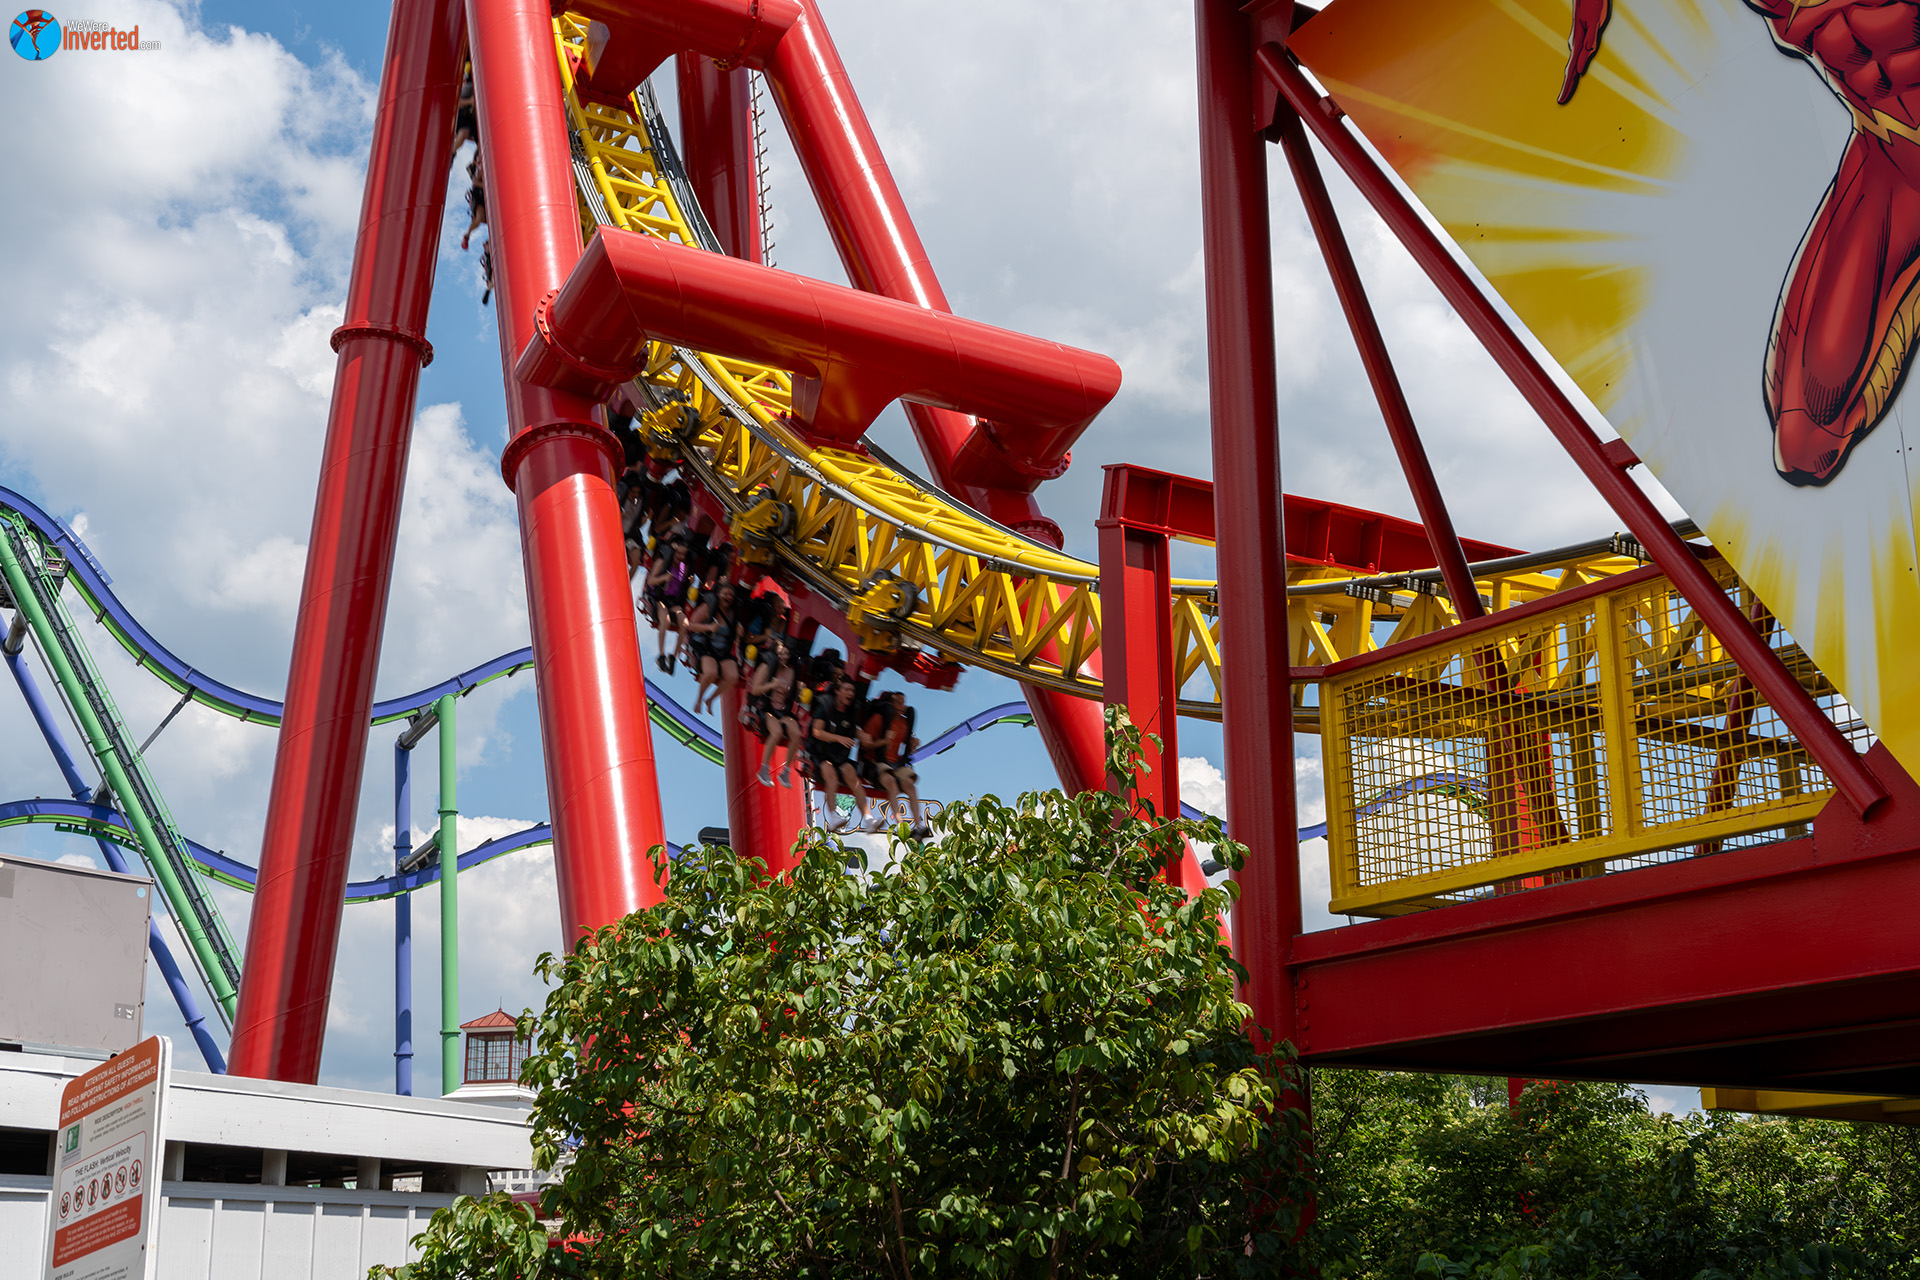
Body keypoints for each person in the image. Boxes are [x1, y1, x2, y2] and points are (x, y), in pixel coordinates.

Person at [810, 679, 869, 832]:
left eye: (852, 691)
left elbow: (855, 730)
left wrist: (864, 737)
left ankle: (868, 818)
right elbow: (817, 731)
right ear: (837, 691)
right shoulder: (826, 706)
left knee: (853, 777)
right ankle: (833, 816)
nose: (850, 693)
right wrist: (838, 738)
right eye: (846, 689)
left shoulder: (851, 713)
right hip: (821, 754)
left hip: (839, 757)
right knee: (832, 776)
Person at [749, 637, 802, 788]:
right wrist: (770, 685)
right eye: (780, 654)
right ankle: (764, 769)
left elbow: (793, 696)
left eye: (786, 654)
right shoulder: (766, 668)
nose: (783, 657)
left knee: (796, 734)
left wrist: (800, 690)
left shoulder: (791, 673)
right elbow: (755, 690)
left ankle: (786, 772)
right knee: (777, 731)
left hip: (782, 711)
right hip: (766, 708)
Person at [686, 580, 741, 715]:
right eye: (725, 594)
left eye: (731, 595)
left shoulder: (732, 614)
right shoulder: (708, 607)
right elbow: (692, 625)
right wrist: (709, 627)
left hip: (721, 649)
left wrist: (738, 634)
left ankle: (710, 700)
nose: (728, 597)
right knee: (711, 673)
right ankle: (699, 699)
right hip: (704, 645)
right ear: (718, 594)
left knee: (733, 676)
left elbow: (733, 638)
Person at [642, 534, 691, 673]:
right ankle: (661, 655)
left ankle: (673, 657)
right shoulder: (662, 563)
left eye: (683, 555)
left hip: (673, 602)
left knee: (685, 624)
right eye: (679, 553)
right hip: (658, 598)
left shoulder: (683, 568)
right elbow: (650, 581)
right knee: (666, 620)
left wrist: (689, 582)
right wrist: (664, 577)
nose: (681, 557)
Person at [461, 152, 487, 252]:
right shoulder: (482, 170)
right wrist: (487, 187)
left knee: (484, 220)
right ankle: (467, 236)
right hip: (478, 193)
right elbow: (475, 182)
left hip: (485, 195)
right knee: (480, 218)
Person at [451, 73, 478, 157]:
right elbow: (457, 102)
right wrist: (470, 101)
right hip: (464, 115)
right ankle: (452, 154)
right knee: (463, 133)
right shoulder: (470, 88)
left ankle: (475, 162)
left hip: (475, 120)